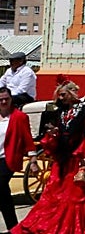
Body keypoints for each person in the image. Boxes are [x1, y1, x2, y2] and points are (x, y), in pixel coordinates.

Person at [13, 81, 85, 234]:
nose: (61, 98)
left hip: (77, 158)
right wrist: (53, 133)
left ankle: (78, 227)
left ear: (72, 93)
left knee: (76, 194)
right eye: (59, 95)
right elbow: (58, 132)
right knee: (54, 193)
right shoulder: (59, 112)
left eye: (63, 95)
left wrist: (84, 160)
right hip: (61, 159)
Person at [0, 87, 35, 230]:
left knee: (0, 184)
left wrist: (33, 159)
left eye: (6, 99)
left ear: (11, 99)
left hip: (8, 158)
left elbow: (27, 139)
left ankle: (13, 227)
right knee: (3, 193)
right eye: (0, 99)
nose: (4, 102)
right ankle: (13, 227)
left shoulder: (19, 117)